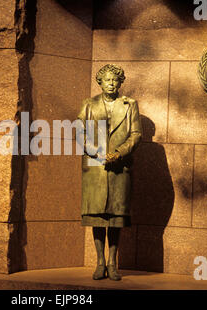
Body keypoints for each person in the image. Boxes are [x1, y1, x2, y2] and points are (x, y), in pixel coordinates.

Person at [77, 64, 142, 280]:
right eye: (107, 80)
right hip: (95, 166)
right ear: (100, 82)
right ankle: (99, 262)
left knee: (115, 217)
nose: (111, 84)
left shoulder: (130, 105)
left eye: (115, 80)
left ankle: (113, 263)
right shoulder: (88, 105)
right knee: (97, 216)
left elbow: (135, 134)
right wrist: (97, 152)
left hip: (119, 165)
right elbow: (79, 132)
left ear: (120, 82)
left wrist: (118, 153)